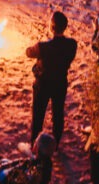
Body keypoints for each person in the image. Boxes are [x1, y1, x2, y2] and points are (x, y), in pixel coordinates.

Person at [26, 11, 78, 146]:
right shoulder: (72, 44)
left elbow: (29, 52)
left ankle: (35, 144)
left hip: (43, 84)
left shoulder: (43, 46)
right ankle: (56, 143)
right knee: (58, 114)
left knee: (38, 115)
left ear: (52, 27)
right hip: (60, 83)